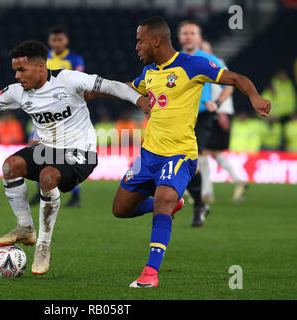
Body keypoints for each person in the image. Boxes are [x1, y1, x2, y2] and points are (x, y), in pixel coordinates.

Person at [0, 40, 150, 276]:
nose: (17, 76)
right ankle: (25, 228)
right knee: (10, 165)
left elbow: (110, 86)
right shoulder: (17, 92)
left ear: (41, 67)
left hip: (80, 155)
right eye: (15, 70)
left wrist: (139, 100)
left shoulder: (68, 80)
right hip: (47, 149)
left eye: (21, 69)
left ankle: (43, 248)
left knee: (48, 177)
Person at [110, 16, 270, 288]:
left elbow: (236, 78)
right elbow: (128, 89)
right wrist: (95, 90)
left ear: (156, 40)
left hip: (179, 154)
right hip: (147, 155)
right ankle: (177, 203)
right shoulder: (149, 72)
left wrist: (254, 96)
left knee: (162, 201)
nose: (136, 46)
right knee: (120, 210)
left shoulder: (191, 65)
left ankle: (150, 272)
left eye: (140, 41)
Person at [177, 20, 236, 226]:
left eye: (192, 33)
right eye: (185, 33)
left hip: (201, 116)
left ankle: (198, 205)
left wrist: (218, 102)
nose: (188, 36)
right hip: (178, 117)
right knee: (180, 161)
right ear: (179, 37)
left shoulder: (209, 59)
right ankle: (199, 202)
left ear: (199, 37)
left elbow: (230, 84)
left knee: (192, 159)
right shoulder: (172, 59)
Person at [40, 24, 85, 207]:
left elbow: (79, 83)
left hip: (67, 113)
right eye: (54, 39)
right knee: (40, 151)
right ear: (49, 41)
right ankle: (41, 191)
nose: (57, 43)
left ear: (66, 40)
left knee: (68, 154)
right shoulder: (43, 59)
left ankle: (75, 195)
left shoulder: (74, 59)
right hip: (45, 112)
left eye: (60, 39)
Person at [199, 40, 249, 204]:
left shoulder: (214, 63)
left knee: (203, 152)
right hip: (217, 112)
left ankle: (206, 192)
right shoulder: (212, 64)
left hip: (217, 113)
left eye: (203, 48)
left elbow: (227, 87)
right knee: (211, 152)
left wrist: (221, 112)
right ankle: (236, 180)